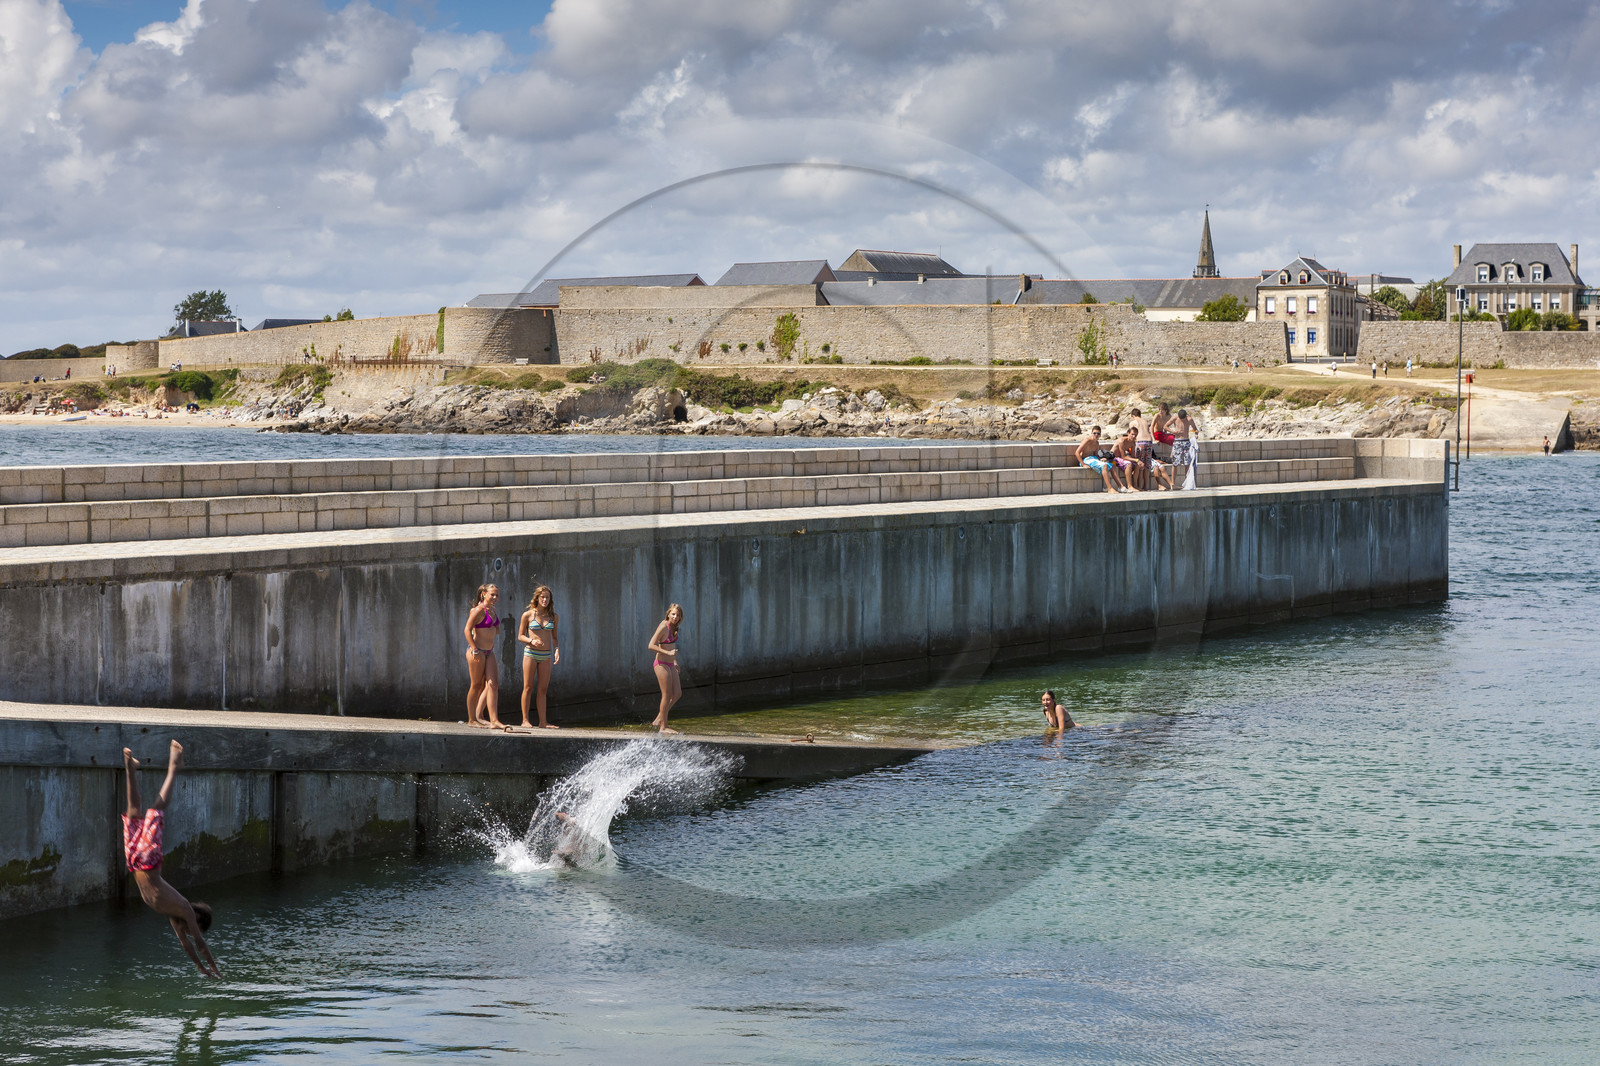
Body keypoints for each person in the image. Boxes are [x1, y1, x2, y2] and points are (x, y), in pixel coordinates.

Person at [122, 742, 220, 978]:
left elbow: (186, 945)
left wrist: (199, 968)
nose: (190, 928)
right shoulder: (184, 909)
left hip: (136, 862)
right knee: (154, 810)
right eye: (196, 925)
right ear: (198, 917)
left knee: (134, 812)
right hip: (144, 862)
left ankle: (131, 768)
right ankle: (173, 765)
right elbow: (199, 943)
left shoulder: (175, 916)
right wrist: (214, 969)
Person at [517, 585, 561, 729]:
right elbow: (520, 636)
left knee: (543, 689)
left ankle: (543, 722)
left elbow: (554, 638)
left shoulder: (553, 617)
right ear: (537, 598)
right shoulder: (528, 615)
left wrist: (557, 650)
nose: (545, 599)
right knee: (528, 687)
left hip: (546, 655)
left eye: (547, 597)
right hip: (530, 653)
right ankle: (524, 720)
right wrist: (531, 640)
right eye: (542, 597)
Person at [463, 583, 504, 729]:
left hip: (489, 651)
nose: (495, 597)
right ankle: (471, 719)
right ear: (483, 594)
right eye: (492, 594)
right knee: (476, 685)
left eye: (497, 595)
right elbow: (467, 629)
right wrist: (474, 649)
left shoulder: (492, 611)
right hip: (477, 651)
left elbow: (496, 629)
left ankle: (494, 721)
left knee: (493, 684)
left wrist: (491, 629)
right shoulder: (478, 610)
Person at [648, 604, 684, 733]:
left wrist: (674, 661)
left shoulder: (674, 627)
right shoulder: (664, 626)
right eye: (673, 614)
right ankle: (663, 727)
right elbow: (651, 645)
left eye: (678, 615)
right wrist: (668, 654)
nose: (675, 617)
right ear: (668, 614)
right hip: (661, 664)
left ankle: (658, 719)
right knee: (667, 694)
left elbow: (670, 646)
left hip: (670, 664)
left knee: (677, 693)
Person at [1075, 426, 1120, 494]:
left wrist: (1101, 459)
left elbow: (1096, 455)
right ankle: (1109, 488)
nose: (1096, 435)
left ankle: (1121, 487)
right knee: (1105, 466)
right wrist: (1083, 464)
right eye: (1094, 433)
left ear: (1100, 435)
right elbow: (1077, 453)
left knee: (1112, 465)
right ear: (1091, 433)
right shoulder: (1087, 440)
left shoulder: (1097, 443)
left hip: (1093, 459)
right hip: (1086, 460)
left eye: (1098, 434)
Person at [1112, 428, 1141, 492]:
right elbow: (1124, 456)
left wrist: (1138, 461)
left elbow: (1133, 456)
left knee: (1137, 465)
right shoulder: (1122, 441)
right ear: (1128, 433)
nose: (1133, 436)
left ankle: (1135, 485)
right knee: (1128, 464)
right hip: (1113, 458)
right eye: (1132, 434)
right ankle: (1129, 486)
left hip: (1120, 458)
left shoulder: (1133, 443)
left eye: (1135, 435)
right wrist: (1136, 460)